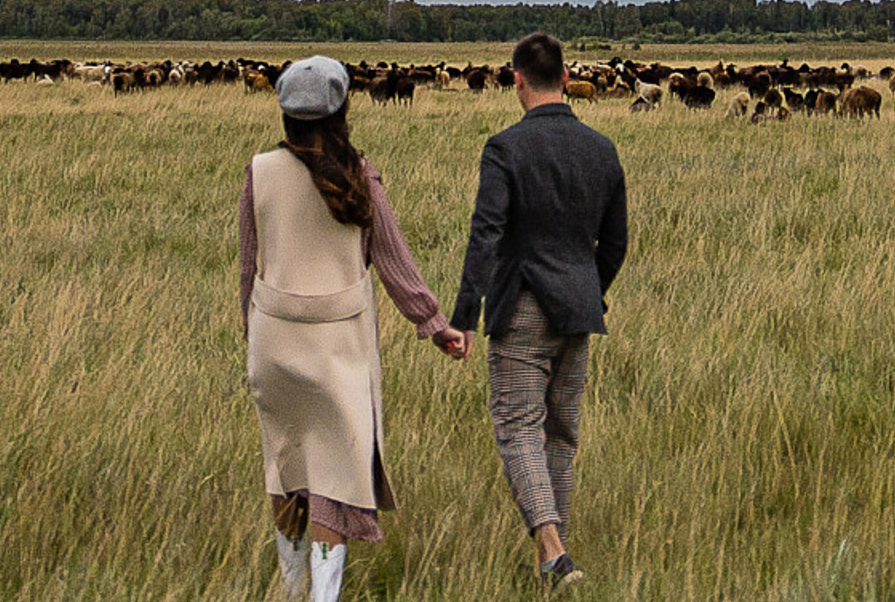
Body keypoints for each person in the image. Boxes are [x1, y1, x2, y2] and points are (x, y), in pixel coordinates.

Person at [241, 56, 469, 600]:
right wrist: (434, 324)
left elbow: (248, 265)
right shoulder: (359, 175)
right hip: (336, 349)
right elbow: (394, 262)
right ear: (343, 110)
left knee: (286, 465)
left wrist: (252, 336)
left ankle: (293, 590)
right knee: (336, 479)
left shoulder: (259, 171)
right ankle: (323, 597)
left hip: (273, 341)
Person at [450, 31, 629, 592]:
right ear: (569, 80)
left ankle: (553, 550)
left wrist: (464, 317)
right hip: (578, 311)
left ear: (517, 80)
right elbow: (616, 241)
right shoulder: (602, 149)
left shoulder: (504, 148)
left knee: (518, 429)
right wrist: (586, 288)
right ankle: (556, 565)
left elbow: (486, 236)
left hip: (522, 306)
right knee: (561, 436)